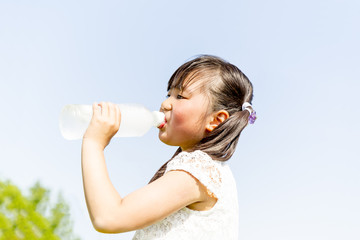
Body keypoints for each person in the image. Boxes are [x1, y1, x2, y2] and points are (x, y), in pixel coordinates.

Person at [81, 55, 256, 239]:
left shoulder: (199, 171)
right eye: (168, 94)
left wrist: (93, 143)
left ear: (215, 120)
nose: (165, 104)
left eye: (180, 96)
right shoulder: (210, 171)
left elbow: (109, 217)